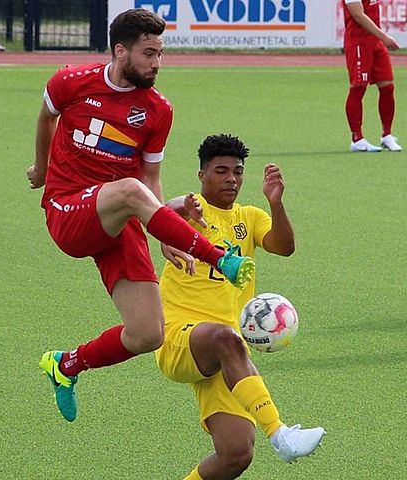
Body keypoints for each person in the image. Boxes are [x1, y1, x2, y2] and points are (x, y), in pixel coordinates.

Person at [28, 9, 256, 423]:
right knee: (131, 190)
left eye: (160, 54)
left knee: (149, 334)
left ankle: (65, 365)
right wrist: (42, 170)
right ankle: (219, 258)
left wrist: (164, 232)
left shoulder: (157, 110)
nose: (157, 63)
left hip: (120, 213)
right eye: (149, 54)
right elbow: (47, 116)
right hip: (68, 208)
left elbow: (151, 177)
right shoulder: (70, 81)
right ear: (121, 51)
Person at [152, 134, 326, 480]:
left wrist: (276, 203)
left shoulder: (249, 216)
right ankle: (280, 434)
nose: (231, 178)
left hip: (225, 354)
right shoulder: (190, 210)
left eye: (237, 171)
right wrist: (176, 212)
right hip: (177, 337)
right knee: (228, 338)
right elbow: (162, 212)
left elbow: (284, 247)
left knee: (236, 453)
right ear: (202, 174)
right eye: (221, 171)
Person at [341, 0, 404, 152]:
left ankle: (387, 135)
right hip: (358, 42)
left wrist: (379, 38)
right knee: (358, 87)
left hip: (375, 42)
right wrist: (384, 37)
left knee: (387, 86)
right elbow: (358, 15)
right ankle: (357, 139)